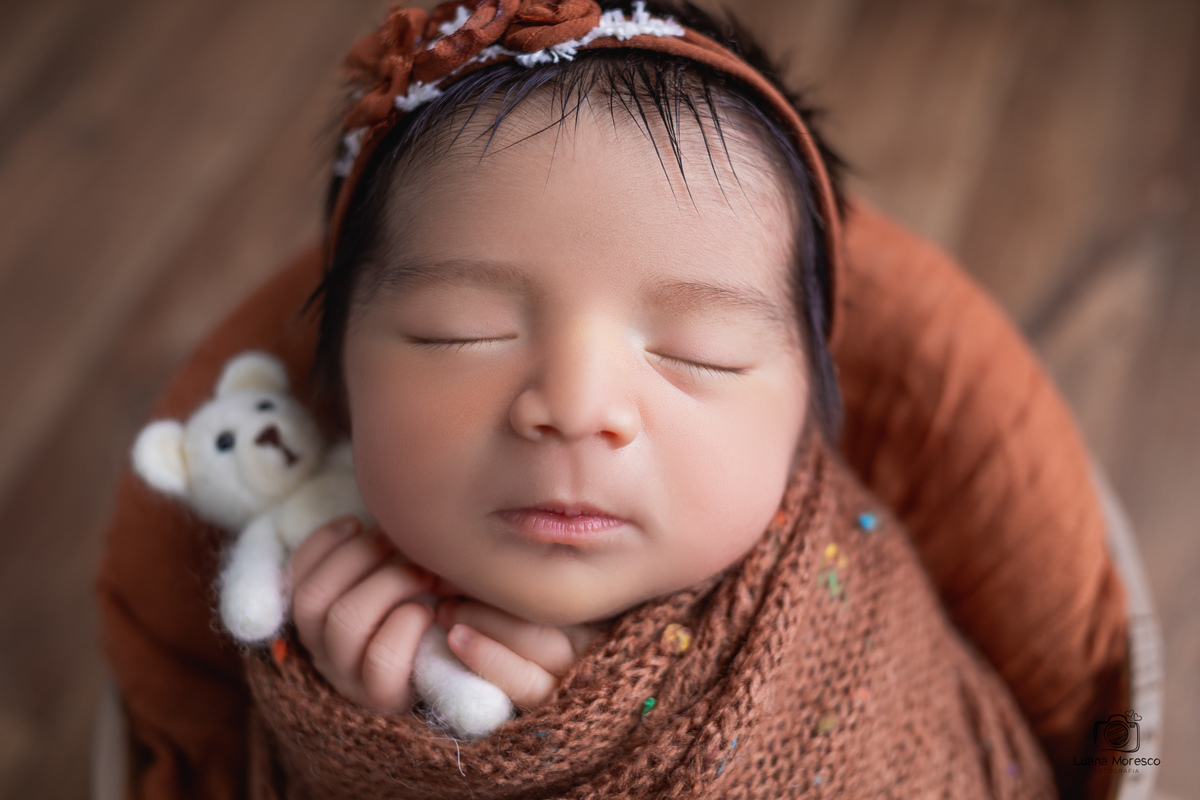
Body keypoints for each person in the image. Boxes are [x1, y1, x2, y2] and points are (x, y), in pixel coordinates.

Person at [97, 2, 1130, 798]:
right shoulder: (311, 596)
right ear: (340, 386)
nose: (579, 405)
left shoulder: (838, 582)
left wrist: (616, 710)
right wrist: (364, 738)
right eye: (461, 328)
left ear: (810, 410)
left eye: (702, 351)